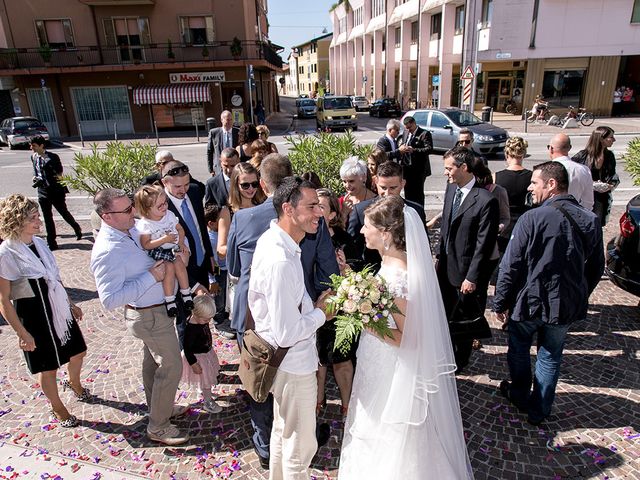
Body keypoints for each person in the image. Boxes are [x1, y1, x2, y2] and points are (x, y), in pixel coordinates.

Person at [338, 195, 474, 479]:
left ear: (385, 234)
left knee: (389, 427)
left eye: (367, 226)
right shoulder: (393, 265)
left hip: (392, 367)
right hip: (377, 361)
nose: (362, 231)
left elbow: (403, 337)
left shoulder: (399, 276)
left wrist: (362, 316)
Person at [226, 154, 337, 469]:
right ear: (288, 209)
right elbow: (288, 331)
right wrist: (321, 313)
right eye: (312, 207)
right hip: (292, 364)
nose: (320, 212)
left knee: (282, 433)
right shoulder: (280, 259)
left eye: (320, 205)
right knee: (300, 446)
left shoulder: (280, 240)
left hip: (288, 360)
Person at [494, 162, 604, 426]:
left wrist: (501, 301)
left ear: (551, 184)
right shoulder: (589, 219)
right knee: (551, 354)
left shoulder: (532, 218)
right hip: (563, 304)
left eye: (535, 182)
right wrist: (580, 292)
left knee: (519, 349)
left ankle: (520, 394)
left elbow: (511, 264)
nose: (531, 188)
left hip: (529, 302)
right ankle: (539, 409)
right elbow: (596, 267)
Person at [90, 188, 188, 445]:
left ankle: (160, 409)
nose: (134, 212)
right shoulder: (107, 250)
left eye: (131, 206)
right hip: (148, 316)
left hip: (158, 311)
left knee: (152, 365)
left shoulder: (131, 230)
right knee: (172, 366)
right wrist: (151, 277)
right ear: (106, 216)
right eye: (126, 210)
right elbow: (109, 299)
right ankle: (158, 426)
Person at [0, 194, 88, 428]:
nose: (39, 221)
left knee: (78, 352)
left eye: (38, 216)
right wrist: (22, 333)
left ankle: (74, 383)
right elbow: (4, 300)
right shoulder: (7, 253)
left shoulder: (39, 243)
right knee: (47, 367)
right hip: (34, 316)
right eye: (33, 217)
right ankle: (58, 408)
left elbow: (55, 279)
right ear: (17, 220)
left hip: (57, 309)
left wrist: (70, 304)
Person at [436, 146, 499, 373]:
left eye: (449, 168)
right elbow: (446, 228)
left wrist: (472, 277)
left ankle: (459, 361)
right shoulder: (451, 190)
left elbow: (484, 244)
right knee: (444, 315)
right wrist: (438, 256)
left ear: (464, 167)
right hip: (445, 268)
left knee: (463, 322)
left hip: (465, 275)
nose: (446, 173)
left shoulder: (485, 200)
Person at [315, 188, 357, 418]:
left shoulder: (343, 239)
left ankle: (346, 404)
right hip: (313, 305)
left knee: (342, 359)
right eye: (312, 206)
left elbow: (358, 275)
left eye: (320, 206)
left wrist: (345, 268)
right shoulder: (305, 235)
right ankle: (316, 400)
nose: (315, 211)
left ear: (332, 214)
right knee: (317, 360)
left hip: (340, 308)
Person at [347, 161, 427, 272]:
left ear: (402, 184)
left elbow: (422, 246)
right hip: (371, 277)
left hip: (408, 272)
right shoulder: (360, 211)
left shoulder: (415, 211)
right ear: (375, 182)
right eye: (383, 188)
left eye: (393, 188)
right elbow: (352, 250)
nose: (387, 193)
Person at [134, 184, 194, 317]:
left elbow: (180, 229)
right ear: (147, 209)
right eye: (159, 206)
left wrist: (180, 243)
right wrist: (164, 239)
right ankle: (170, 300)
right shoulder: (145, 224)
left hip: (173, 247)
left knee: (179, 264)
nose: (164, 207)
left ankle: (186, 293)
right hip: (158, 250)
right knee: (169, 269)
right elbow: (146, 244)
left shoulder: (169, 215)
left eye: (165, 203)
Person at [162, 160, 214, 291]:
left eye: (186, 184)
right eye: (177, 186)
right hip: (181, 275)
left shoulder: (195, 192)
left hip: (202, 264)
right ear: (165, 182)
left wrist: (209, 255)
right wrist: (194, 285)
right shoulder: (160, 208)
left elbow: (201, 227)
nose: (183, 190)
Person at [29, 136, 82, 250]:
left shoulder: (53, 157)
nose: (31, 148)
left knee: (63, 212)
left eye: (34, 146)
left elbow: (59, 173)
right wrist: (35, 177)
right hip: (42, 191)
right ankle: (52, 242)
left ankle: (76, 227)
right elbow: (36, 171)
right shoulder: (33, 157)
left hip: (56, 191)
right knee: (47, 217)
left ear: (41, 145)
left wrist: (48, 166)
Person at [180, 295, 223, 414]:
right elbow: (187, 348)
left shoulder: (200, 320)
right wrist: (193, 363)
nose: (208, 322)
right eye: (206, 319)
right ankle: (208, 402)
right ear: (196, 314)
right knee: (206, 379)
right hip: (198, 358)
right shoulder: (191, 329)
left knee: (205, 378)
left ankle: (204, 392)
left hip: (205, 353)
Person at [572, 126, 619, 226]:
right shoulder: (583, 155)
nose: (614, 140)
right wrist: (590, 184)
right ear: (601, 138)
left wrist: (610, 185)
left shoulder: (609, 155)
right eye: (611, 137)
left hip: (601, 198)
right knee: (583, 224)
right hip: (584, 196)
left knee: (597, 224)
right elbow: (571, 172)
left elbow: (613, 176)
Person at [494, 137, 532, 251]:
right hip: (525, 225)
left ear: (506, 154)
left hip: (503, 227)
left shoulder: (495, 177)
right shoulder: (533, 176)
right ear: (524, 154)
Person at [547, 134, 594, 211]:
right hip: (576, 215)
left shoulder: (546, 170)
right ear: (570, 148)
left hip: (550, 214)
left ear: (551, 148)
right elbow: (588, 202)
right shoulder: (584, 170)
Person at [204, 204, 229, 329]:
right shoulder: (210, 239)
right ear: (211, 223)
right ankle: (219, 321)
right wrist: (212, 279)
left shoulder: (218, 235)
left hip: (224, 271)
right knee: (218, 297)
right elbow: (210, 260)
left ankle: (223, 314)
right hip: (217, 272)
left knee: (223, 296)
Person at [142, 150, 206, 197]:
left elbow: (201, 188)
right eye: (164, 163)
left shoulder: (182, 175)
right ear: (157, 165)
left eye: (171, 162)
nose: (169, 165)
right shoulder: (149, 181)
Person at [401, 116, 433, 207]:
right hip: (407, 169)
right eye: (406, 128)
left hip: (419, 170)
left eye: (410, 127)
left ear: (414, 124)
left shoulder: (424, 134)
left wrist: (414, 150)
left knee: (418, 194)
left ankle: (420, 213)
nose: (408, 130)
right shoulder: (406, 132)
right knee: (408, 193)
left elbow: (429, 149)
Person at [339, 157, 376, 227]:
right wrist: (343, 214)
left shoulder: (376, 201)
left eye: (351, 181)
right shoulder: (341, 202)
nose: (347, 185)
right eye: (344, 181)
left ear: (363, 178)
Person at [207, 110, 239, 176]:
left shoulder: (238, 132)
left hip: (234, 166)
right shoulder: (214, 133)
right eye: (227, 119)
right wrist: (211, 169)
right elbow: (209, 152)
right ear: (222, 120)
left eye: (231, 119)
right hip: (219, 168)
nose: (229, 122)